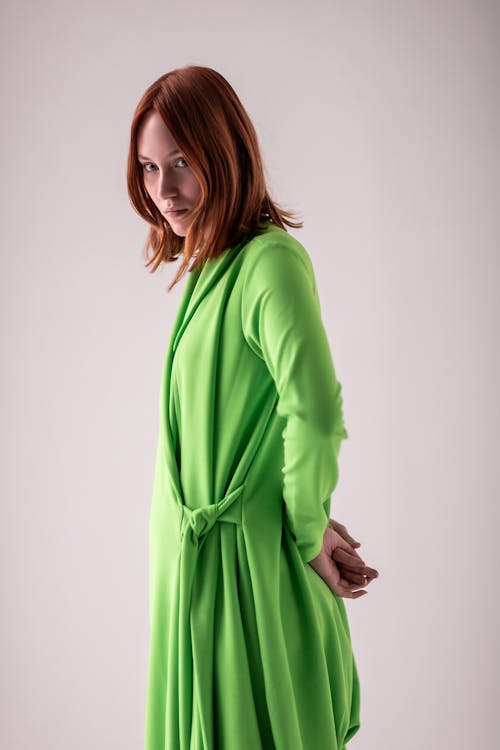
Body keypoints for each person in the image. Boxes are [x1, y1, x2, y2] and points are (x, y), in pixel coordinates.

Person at [127, 65, 378, 750]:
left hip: (248, 578)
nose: (164, 189)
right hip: (196, 576)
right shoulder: (209, 271)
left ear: (224, 149)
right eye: (150, 168)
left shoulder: (269, 263)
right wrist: (307, 514)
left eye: (181, 161)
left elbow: (316, 409)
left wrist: (303, 525)